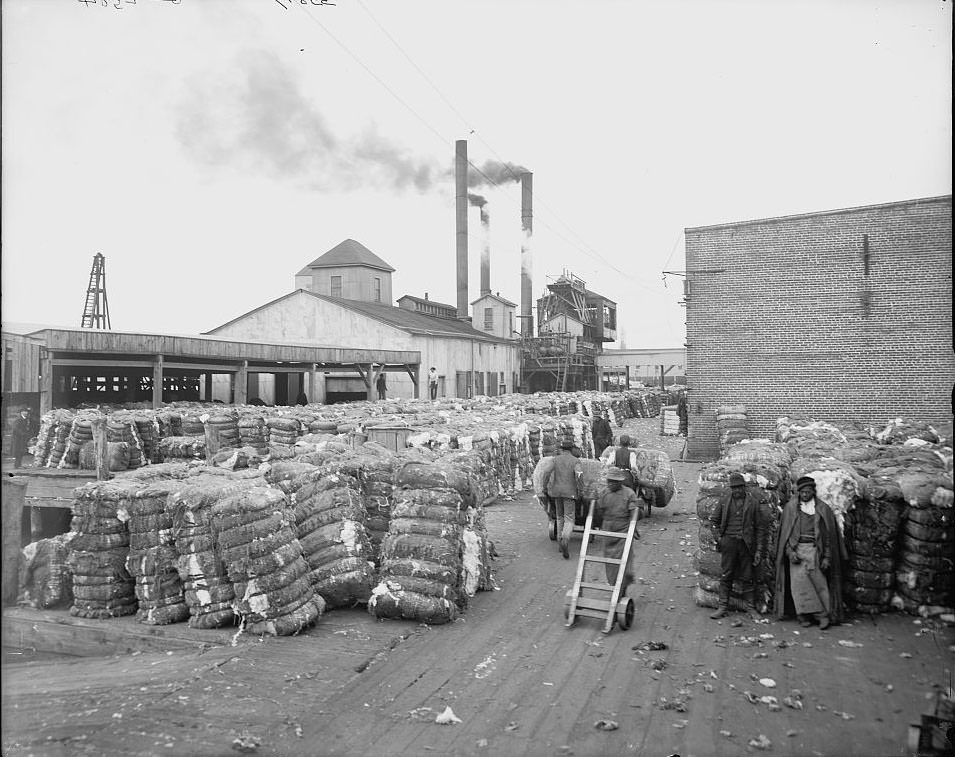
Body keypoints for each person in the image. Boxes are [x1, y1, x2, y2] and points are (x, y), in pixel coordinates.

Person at [773, 475, 847, 630]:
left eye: (808, 492)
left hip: (815, 551)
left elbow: (828, 536)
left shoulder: (822, 509)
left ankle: (822, 616)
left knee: (819, 583)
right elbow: (785, 535)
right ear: (798, 492)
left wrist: (826, 556)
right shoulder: (791, 508)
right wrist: (789, 552)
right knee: (799, 585)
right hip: (797, 551)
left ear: (813, 492)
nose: (805, 495)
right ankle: (802, 616)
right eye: (802, 492)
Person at [709, 472, 766, 620]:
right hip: (729, 543)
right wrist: (719, 539)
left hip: (746, 544)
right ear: (731, 488)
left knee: (748, 576)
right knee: (726, 574)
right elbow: (714, 521)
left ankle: (751, 608)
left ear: (744, 487)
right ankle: (722, 606)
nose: (737, 491)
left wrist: (759, 549)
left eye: (740, 488)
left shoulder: (753, 503)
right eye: (734, 488)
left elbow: (760, 528)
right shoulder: (724, 501)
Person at [595, 467, 641, 596]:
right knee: (610, 562)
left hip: (624, 530)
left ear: (620, 482)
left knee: (624, 561)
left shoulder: (629, 494)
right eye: (609, 481)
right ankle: (614, 586)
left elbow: (634, 512)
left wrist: (634, 527)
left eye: (614, 482)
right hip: (608, 531)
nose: (610, 484)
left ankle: (622, 589)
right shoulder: (604, 493)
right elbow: (599, 510)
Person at [544, 438, 582, 559]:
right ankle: (565, 538)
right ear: (572, 449)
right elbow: (579, 474)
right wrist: (580, 489)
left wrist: (544, 486)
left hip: (556, 492)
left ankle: (560, 541)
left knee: (559, 517)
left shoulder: (555, 459)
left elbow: (546, 472)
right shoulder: (576, 461)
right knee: (569, 518)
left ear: (561, 449)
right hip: (570, 492)